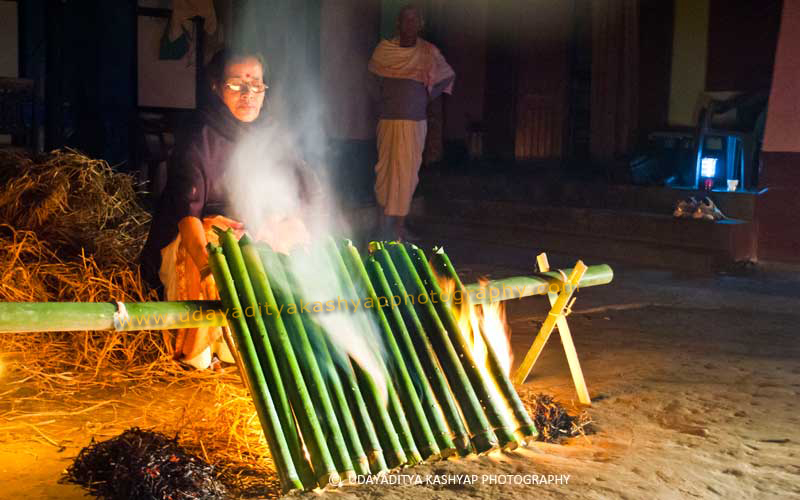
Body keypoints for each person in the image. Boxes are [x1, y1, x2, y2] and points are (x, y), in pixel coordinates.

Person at [140, 48, 312, 370]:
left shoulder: (271, 136)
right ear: (217, 87)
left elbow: (302, 194)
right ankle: (196, 351)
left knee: (290, 235)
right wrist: (210, 268)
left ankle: (266, 344)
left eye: (256, 85)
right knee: (215, 243)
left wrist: (282, 223)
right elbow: (188, 218)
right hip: (194, 238)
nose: (248, 95)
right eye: (237, 85)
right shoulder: (199, 139)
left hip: (249, 234)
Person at [368, 4, 455, 241]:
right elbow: (372, 80)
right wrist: (383, 100)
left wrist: (426, 95)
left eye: (414, 20)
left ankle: (398, 227)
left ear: (420, 25)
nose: (409, 24)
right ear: (398, 24)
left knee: (407, 175)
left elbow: (446, 75)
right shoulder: (384, 50)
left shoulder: (428, 52)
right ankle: (381, 224)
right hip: (387, 120)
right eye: (405, 20)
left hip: (415, 122)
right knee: (384, 172)